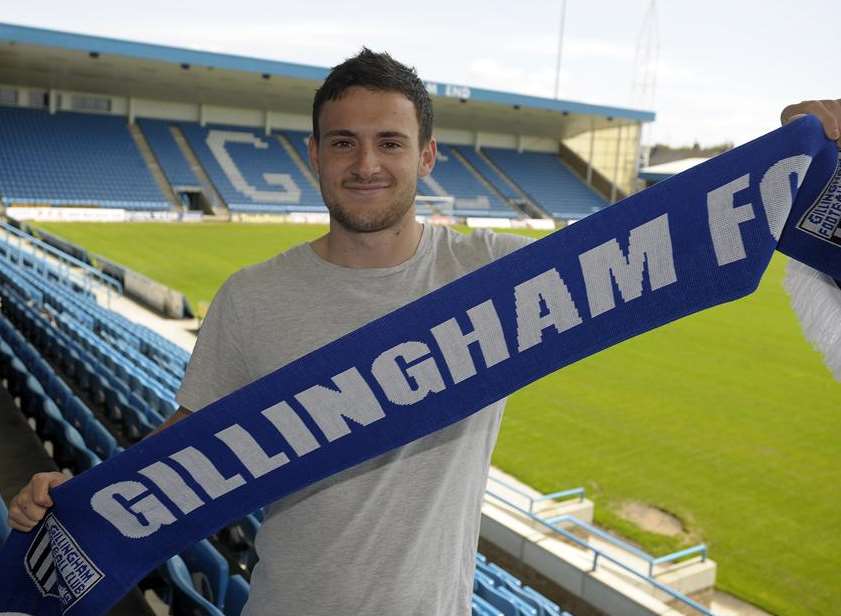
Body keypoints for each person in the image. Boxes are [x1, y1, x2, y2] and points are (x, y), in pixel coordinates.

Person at [6, 47, 841, 614]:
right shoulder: (250, 296)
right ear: (314, 155)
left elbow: (658, 246)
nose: (365, 163)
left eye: (388, 143)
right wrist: (78, 498)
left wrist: (794, 170)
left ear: (427, 156)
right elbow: (187, 451)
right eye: (344, 142)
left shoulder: (496, 275)